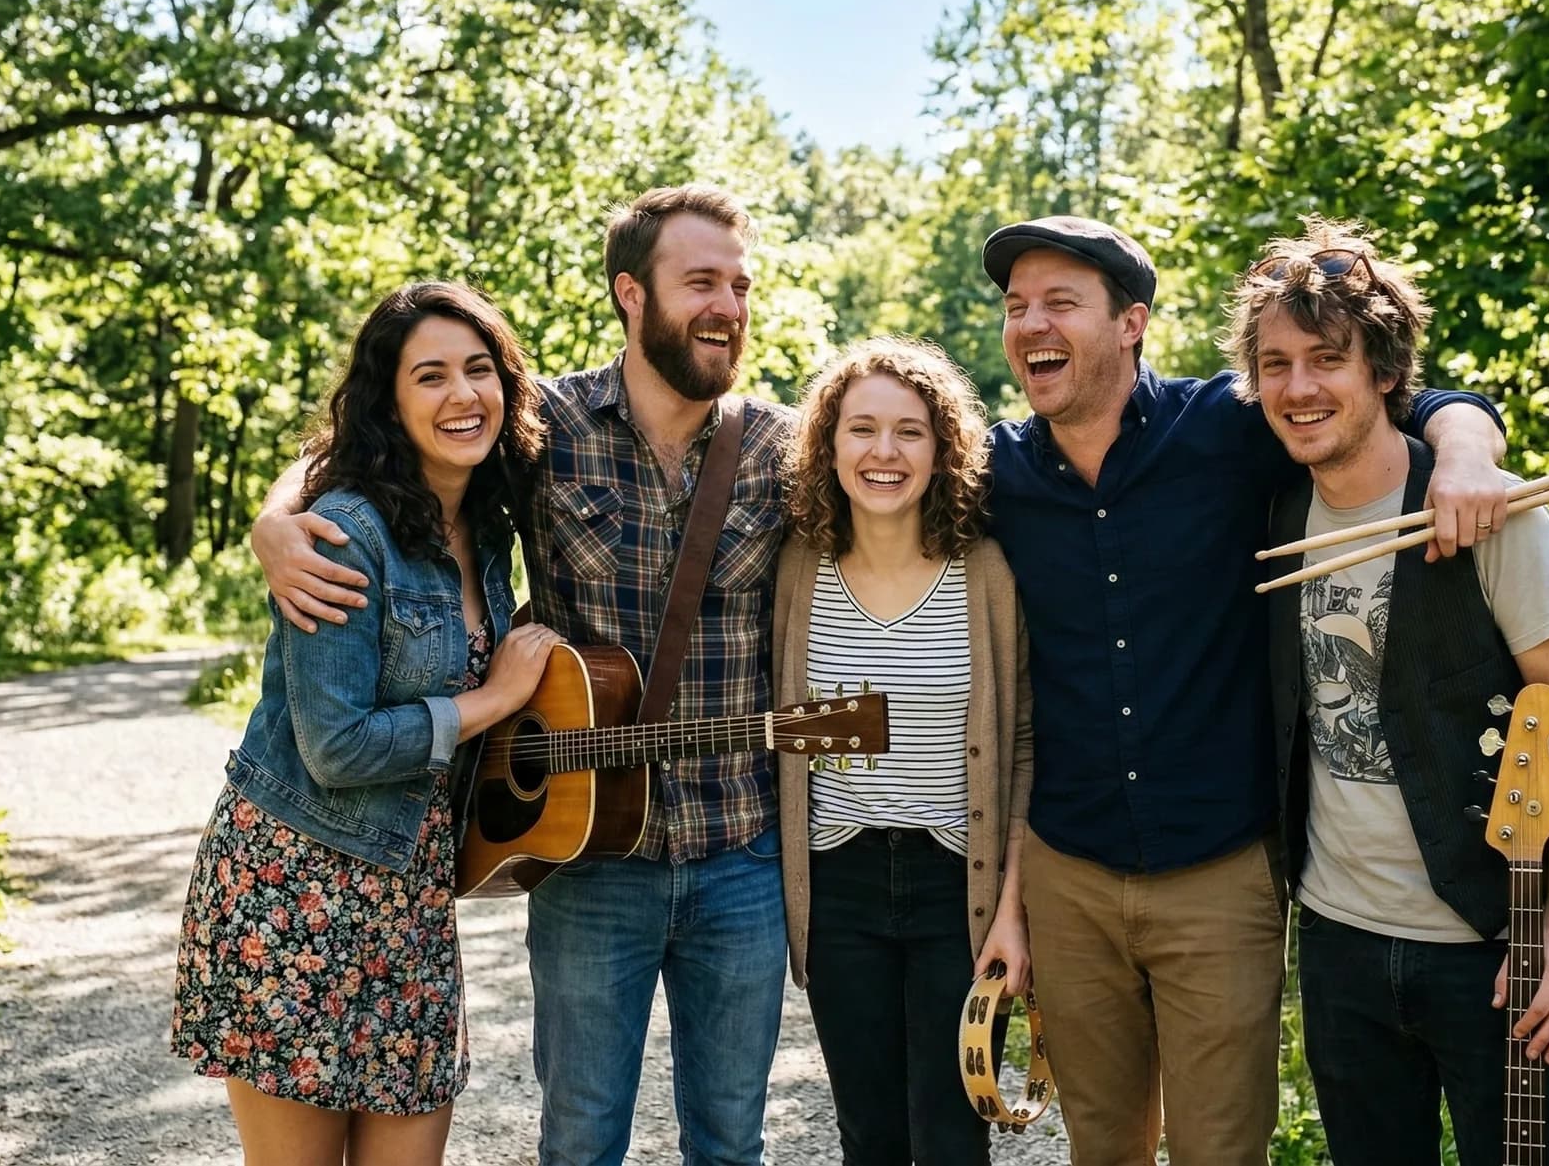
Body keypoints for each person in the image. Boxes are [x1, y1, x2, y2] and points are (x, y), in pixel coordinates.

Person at [250, 186, 797, 1166]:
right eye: (700, 281)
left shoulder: (784, 447)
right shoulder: (540, 425)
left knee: (732, 1142)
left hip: (737, 852)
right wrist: (274, 521)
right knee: (580, 1142)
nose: (727, 304)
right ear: (632, 295)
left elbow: (919, 482)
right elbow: (372, 439)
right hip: (584, 856)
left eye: (739, 285)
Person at [977, 215, 1511, 1165]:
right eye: (1018, 306)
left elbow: (1392, 397)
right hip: (1069, 871)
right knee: (1101, 1147)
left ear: (1131, 321)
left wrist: (1468, 451)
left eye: (1062, 302)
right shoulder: (999, 470)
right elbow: (871, 471)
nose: (1031, 325)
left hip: (1220, 874)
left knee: (1224, 1149)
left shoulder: (1227, 426)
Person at [1231, 220, 1549, 1165]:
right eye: (1275, 364)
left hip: (1493, 941)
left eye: (1328, 358)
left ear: (1386, 372)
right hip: (1339, 944)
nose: (1299, 387)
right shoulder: (1272, 510)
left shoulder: (1491, 513)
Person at [171, 281, 563, 1165]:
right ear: (390, 401)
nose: (462, 395)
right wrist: (492, 699)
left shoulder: (488, 524)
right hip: (294, 894)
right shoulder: (345, 532)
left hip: (411, 905)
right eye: (430, 376)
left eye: (479, 369)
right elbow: (336, 745)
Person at [773, 335, 1034, 1165]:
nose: (884, 452)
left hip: (958, 884)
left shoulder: (986, 571)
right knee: (870, 1136)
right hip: (839, 879)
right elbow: (788, 729)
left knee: (955, 1137)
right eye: (861, 429)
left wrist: (1015, 908)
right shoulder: (796, 571)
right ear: (829, 444)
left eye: (910, 431)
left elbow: (1023, 746)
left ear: (942, 447)